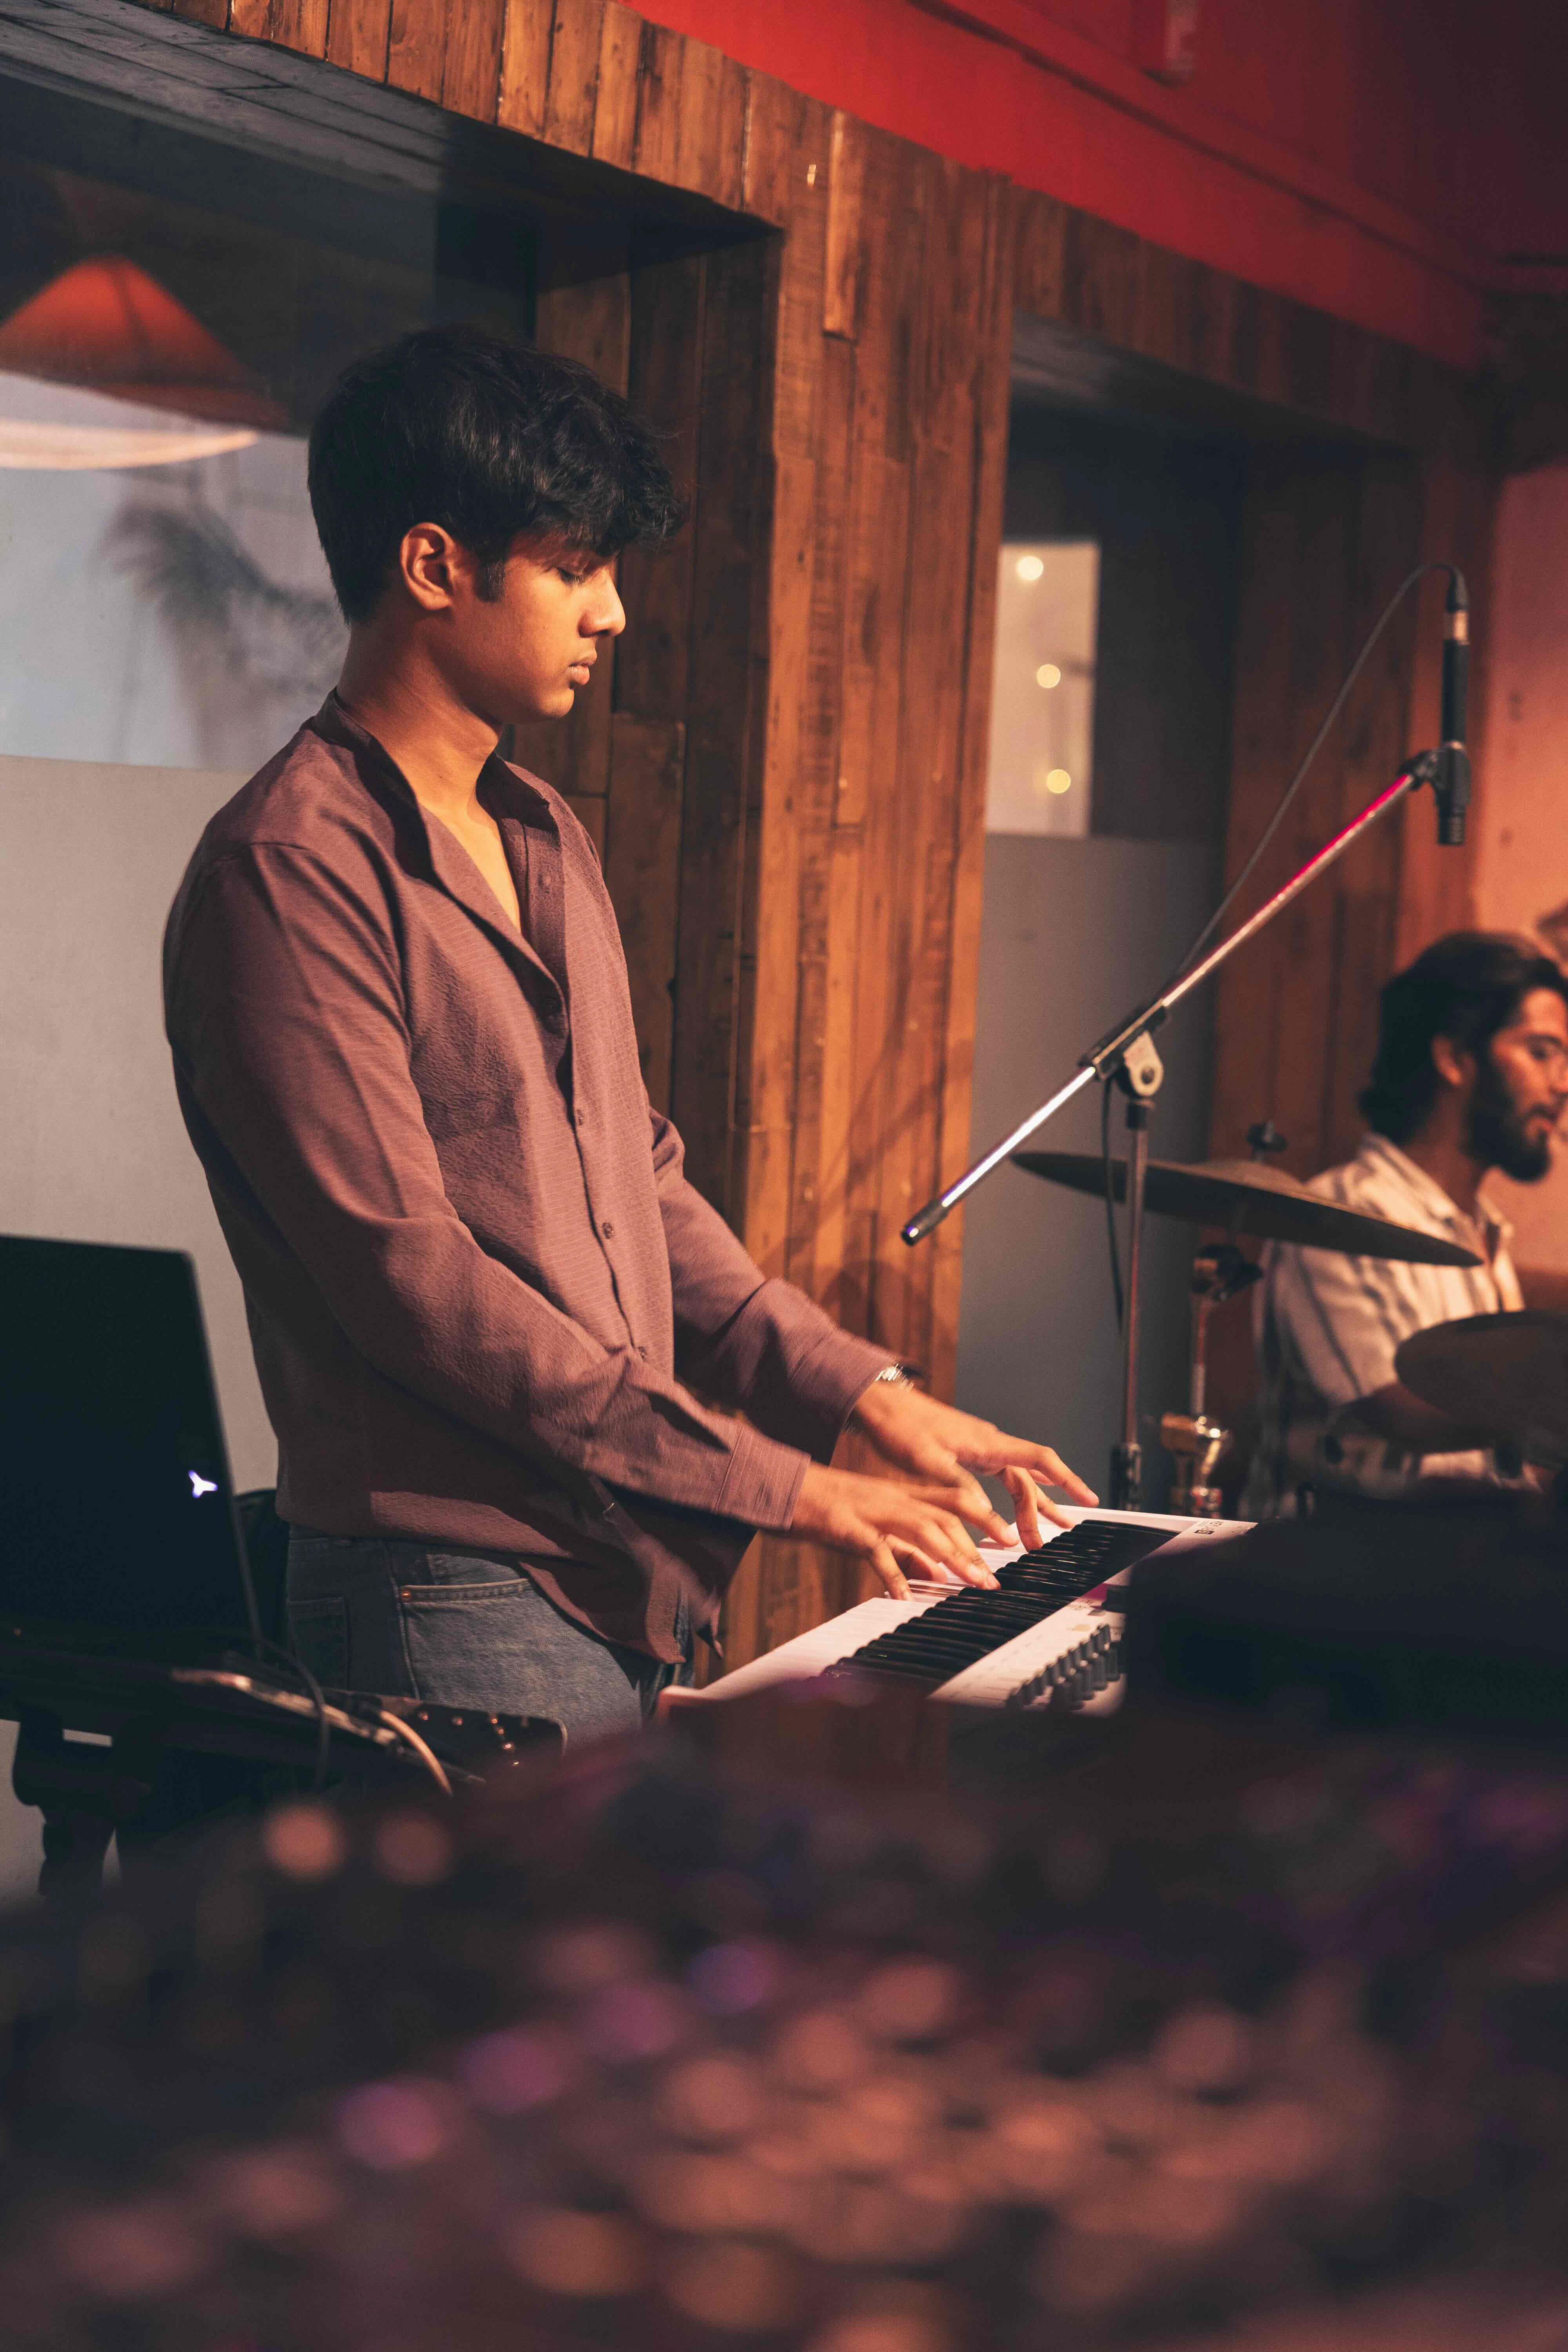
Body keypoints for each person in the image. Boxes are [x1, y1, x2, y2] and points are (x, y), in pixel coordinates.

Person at [163, 325, 1094, 1743]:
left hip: (617, 1569)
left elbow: (638, 1184)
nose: (612, 614)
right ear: (433, 565)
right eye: (575, 568)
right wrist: (786, 1485)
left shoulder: (546, 832)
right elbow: (416, 1287)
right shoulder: (289, 871)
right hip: (446, 1588)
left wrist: (863, 1397)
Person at [1244, 931, 1568, 1517]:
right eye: (1541, 1052)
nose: (1563, 1084)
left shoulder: (1485, 1231)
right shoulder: (1343, 1213)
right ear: (1454, 1059)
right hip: (1328, 1564)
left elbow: (1500, 1455)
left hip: (1459, 1557)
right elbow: (1401, 1413)